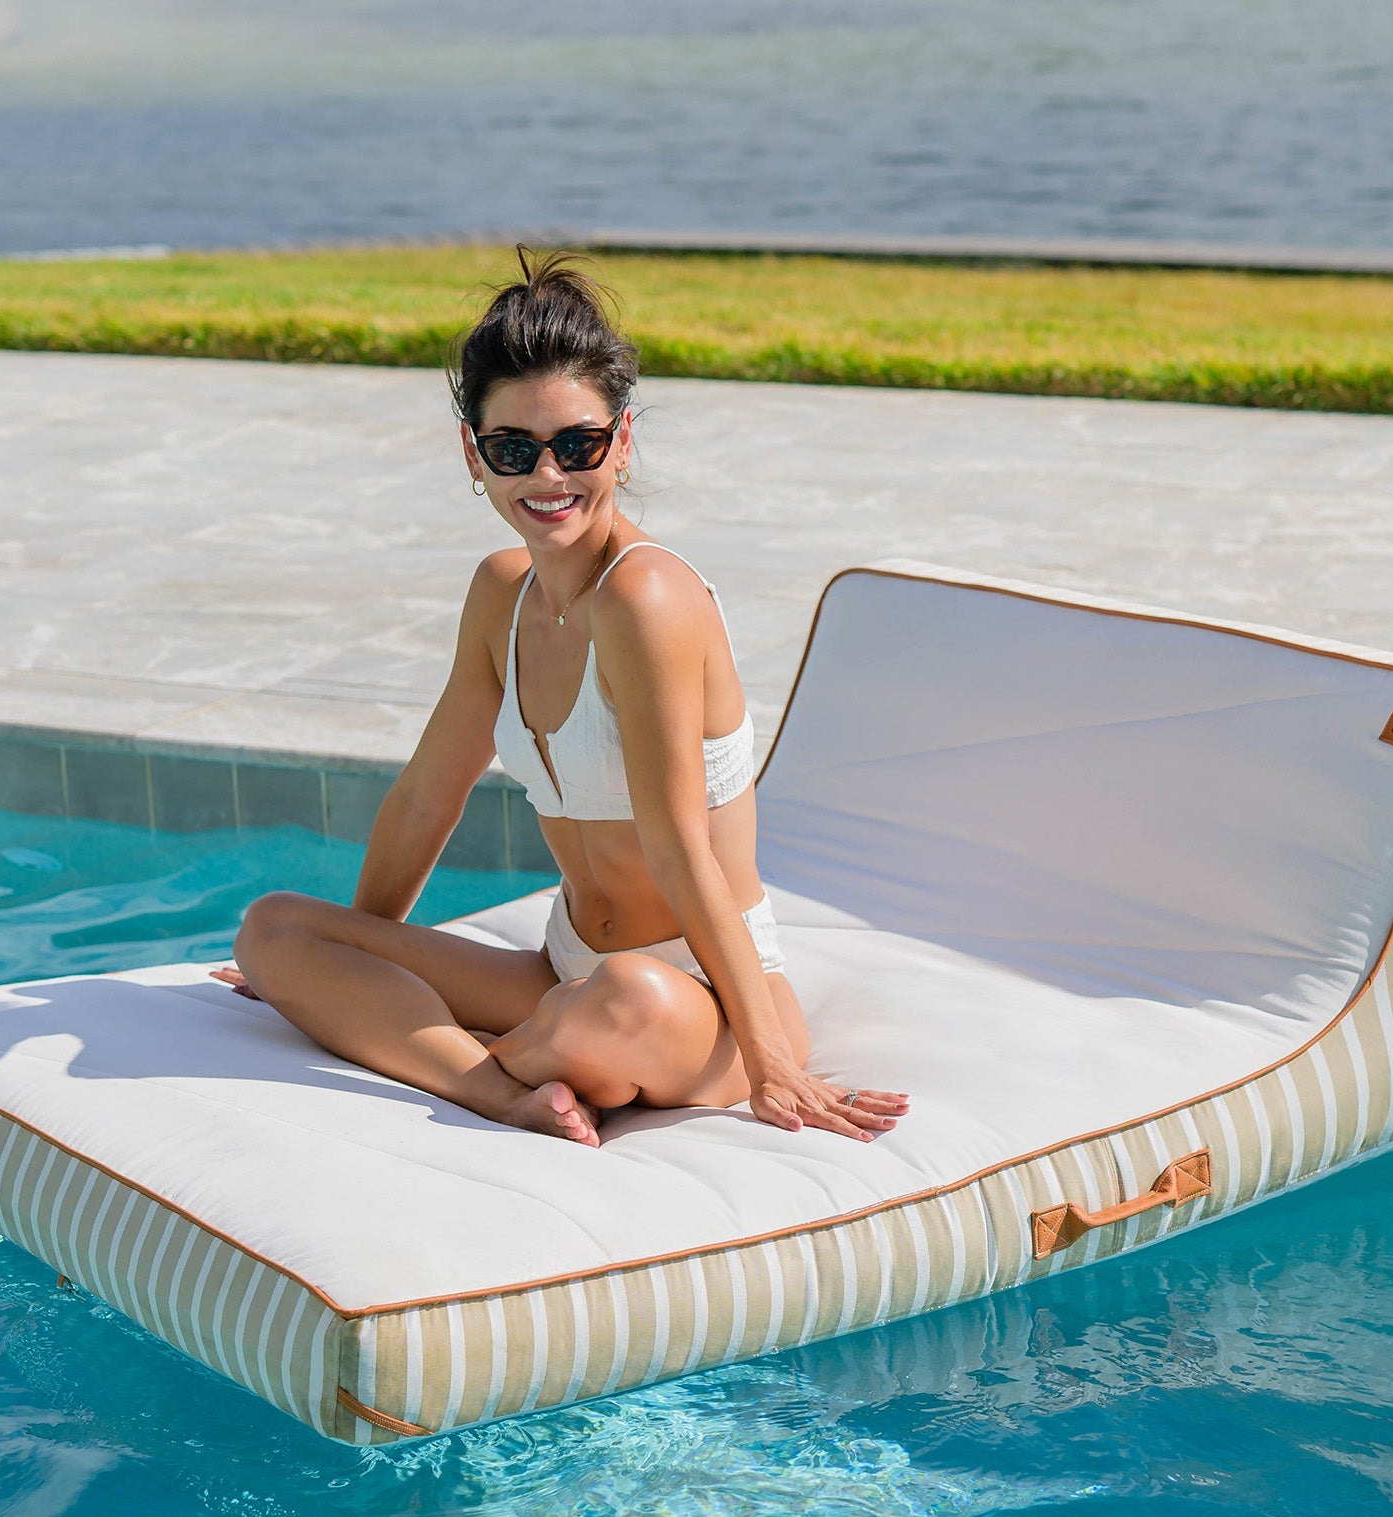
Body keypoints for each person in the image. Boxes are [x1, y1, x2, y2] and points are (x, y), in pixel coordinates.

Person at [216, 253, 907, 1151]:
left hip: (698, 999)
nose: (549, 478)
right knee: (273, 929)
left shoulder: (646, 598)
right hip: (562, 971)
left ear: (621, 442)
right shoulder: (500, 594)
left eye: (577, 445)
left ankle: (483, 1063)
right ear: (474, 452)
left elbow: (677, 844)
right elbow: (429, 796)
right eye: (513, 449)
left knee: (625, 998)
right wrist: (352, 955)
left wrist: (772, 1062)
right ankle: (504, 1086)